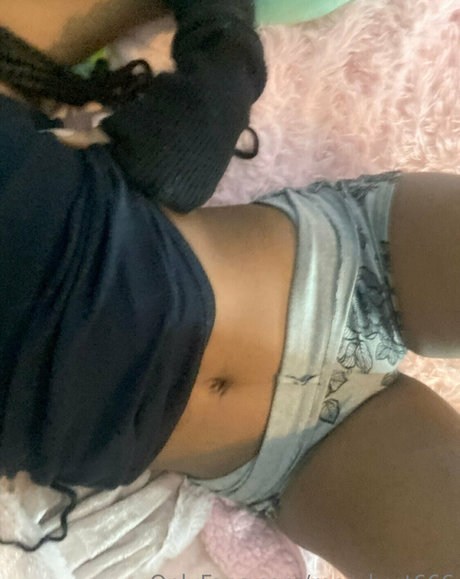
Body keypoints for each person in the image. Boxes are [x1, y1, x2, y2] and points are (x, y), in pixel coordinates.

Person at [0, 0, 459, 575]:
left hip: (349, 262)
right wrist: (226, 45)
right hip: (290, 457)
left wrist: (226, 38)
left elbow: (183, 144)